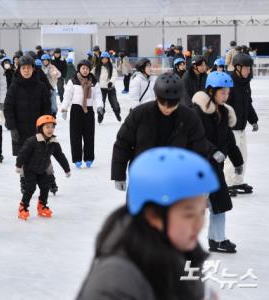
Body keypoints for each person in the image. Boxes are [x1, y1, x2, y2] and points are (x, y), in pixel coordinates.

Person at [77, 147, 219, 300]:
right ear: (153, 215)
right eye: (189, 215)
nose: (199, 225)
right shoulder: (117, 280)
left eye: (202, 213)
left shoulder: (184, 251)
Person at [111, 72, 209, 189]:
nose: (167, 108)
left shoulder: (190, 117)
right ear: (156, 96)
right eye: (163, 103)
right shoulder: (139, 114)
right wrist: (119, 175)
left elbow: (199, 150)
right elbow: (123, 144)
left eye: (173, 104)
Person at [192, 71, 243, 253]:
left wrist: (238, 161)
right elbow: (197, 138)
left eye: (227, 92)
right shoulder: (198, 112)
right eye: (223, 92)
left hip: (216, 169)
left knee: (219, 204)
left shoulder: (223, 112)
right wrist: (213, 151)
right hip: (201, 168)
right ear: (211, 91)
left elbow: (229, 139)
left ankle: (217, 239)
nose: (226, 95)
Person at [4, 55, 52, 193]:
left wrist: (46, 125)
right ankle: (24, 181)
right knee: (24, 157)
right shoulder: (14, 87)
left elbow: (46, 107)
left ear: (33, 69)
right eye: (23, 68)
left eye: (28, 68)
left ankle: (49, 179)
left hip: (38, 129)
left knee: (43, 154)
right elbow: (8, 108)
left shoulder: (41, 86)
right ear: (19, 70)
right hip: (20, 130)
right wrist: (12, 127)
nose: (26, 71)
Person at [15, 115, 70, 220]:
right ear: (40, 128)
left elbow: (60, 156)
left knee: (45, 186)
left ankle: (42, 206)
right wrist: (19, 165)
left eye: (52, 127)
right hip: (30, 169)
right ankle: (23, 207)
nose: (50, 130)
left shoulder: (53, 142)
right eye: (47, 127)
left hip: (42, 169)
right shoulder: (32, 141)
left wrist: (66, 169)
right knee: (30, 188)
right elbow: (23, 153)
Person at [224, 53, 258, 195]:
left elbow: (247, 104)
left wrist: (253, 119)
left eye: (249, 68)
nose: (249, 71)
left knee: (243, 156)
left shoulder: (245, 83)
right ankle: (227, 183)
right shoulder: (229, 82)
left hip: (241, 127)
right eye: (246, 68)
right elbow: (224, 106)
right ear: (237, 67)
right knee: (232, 158)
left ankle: (237, 181)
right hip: (231, 128)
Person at [61, 59, 102, 168]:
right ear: (79, 68)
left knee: (89, 135)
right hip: (76, 110)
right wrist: (64, 108)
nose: (85, 70)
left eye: (87, 68)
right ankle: (77, 158)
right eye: (83, 68)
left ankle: (89, 157)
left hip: (89, 111)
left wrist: (100, 106)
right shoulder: (73, 80)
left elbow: (98, 95)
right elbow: (67, 96)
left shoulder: (93, 81)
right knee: (75, 136)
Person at [92, 51, 121, 123]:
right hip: (101, 88)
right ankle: (100, 116)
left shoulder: (111, 67)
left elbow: (115, 75)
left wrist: (111, 82)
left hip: (111, 88)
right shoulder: (97, 67)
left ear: (108, 59)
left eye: (106, 59)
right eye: (103, 59)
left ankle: (117, 114)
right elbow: (91, 74)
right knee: (101, 103)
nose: (105, 60)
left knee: (115, 104)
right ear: (101, 59)